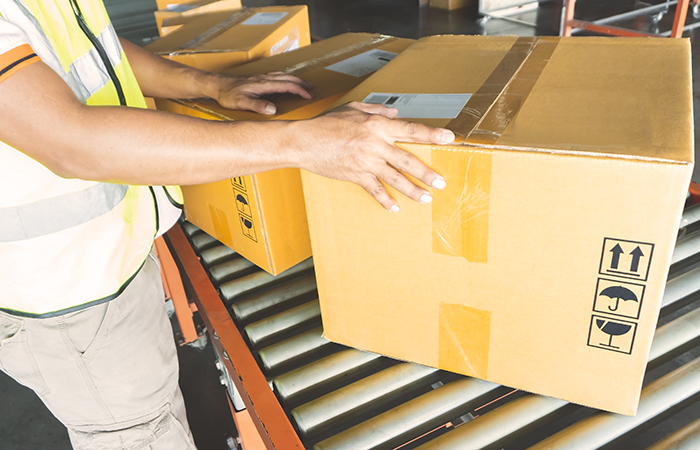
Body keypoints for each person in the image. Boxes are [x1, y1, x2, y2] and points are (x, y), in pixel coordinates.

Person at [0, 0, 454, 448]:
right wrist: (304, 142)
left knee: (153, 414)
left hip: (112, 256)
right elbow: (70, 141)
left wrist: (210, 85)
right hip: (61, 294)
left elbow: (95, 49)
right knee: (137, 433)